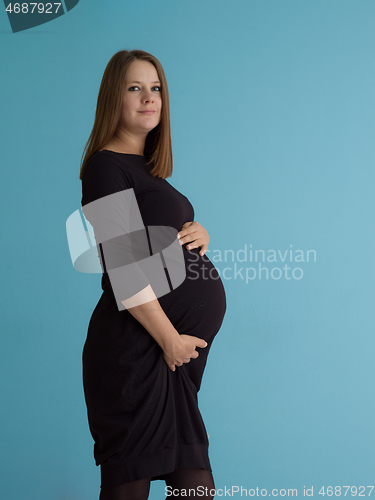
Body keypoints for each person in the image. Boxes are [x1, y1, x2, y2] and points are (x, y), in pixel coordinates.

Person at [79, 49, 227, 500]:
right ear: (114, 99)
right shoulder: (105, 166)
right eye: (135, 88)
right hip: (139, 354)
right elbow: (122, 265)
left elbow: (158, 243)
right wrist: (170, 340)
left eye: (156, 88)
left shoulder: (150, 173)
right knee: (131, 490)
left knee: (195, 489)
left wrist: (199, 232)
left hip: (169, 362)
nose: (149, 98)